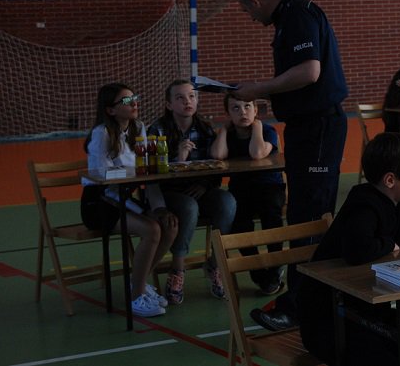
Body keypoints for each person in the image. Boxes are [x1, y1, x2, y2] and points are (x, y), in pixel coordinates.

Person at [234, 0, 348, 331]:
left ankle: (301, 306)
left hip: (318, 127)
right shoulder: (290, 16)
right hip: (307, 127)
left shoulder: (296, 14)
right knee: (303, 213)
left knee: (309, 217)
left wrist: (259, 88)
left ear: (254, 1)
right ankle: (308, 300)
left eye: (247, 11)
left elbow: (310, 71)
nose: (251, 19)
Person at [299, 132, 400, 366]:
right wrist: (388, 244)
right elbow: (357, 250)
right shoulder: (364, 204)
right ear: (390, 180)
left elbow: (397, 248)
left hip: (365, 309)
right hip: (328, 319)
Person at [81, 83, 178, 317]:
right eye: (126, 101)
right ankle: (136, 297)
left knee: (169, 224)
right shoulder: (101, 134)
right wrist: (140, 208)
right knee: (151, 229)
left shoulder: (139, 128)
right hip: (100, 203)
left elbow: (149, 174)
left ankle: (138, 283)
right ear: (110, 110)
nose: (134, 103)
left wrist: (159, 207)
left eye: (135, 98)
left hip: (125, 198)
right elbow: (102, 178)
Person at [149, 79, 236, 305]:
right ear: (169, 104)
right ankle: (177, 269)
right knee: (188, 206)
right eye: (180, 98)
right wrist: (178, 159)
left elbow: (216, 168)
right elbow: (151, 175)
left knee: (227, 201)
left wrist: (205, 185)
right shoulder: (157, 130)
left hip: (199, 190)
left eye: (192, 96)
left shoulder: (205, 129)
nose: (187, 101)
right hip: (169, 193)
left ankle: (215, 265)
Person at [210, 93, 287, 295]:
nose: (242, 112)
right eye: (235, 108)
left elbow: (257, 153)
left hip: (270, 187)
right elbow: (217, 155)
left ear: (255, 110)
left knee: (271, 214)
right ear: (228, 114)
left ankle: (275, 265)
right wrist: (223, 131)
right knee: (238, 222)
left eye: (247, 107)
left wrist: (258, 127)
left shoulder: (267, 131)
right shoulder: (229, 135)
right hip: (241, 190)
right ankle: (258, 270)